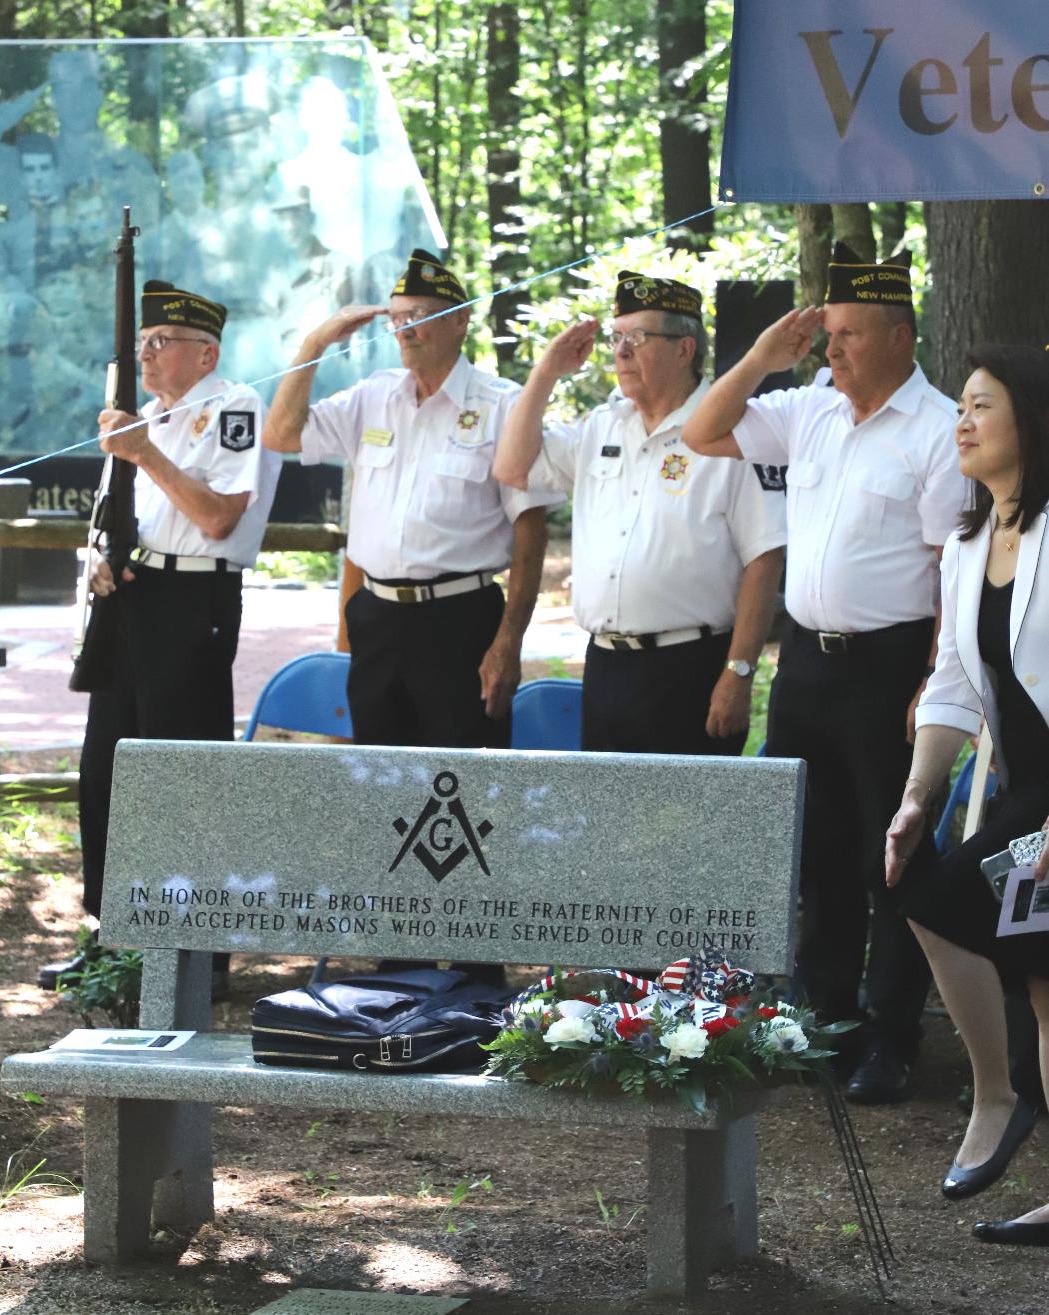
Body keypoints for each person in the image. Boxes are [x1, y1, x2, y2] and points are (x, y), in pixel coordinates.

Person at [682, 242, 968, 1103]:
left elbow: (948, 571)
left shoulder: (937, 428)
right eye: (827, 333)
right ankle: (824, 1020)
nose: (832, 348)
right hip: (805, 661)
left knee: (893, 858)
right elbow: (700, 430)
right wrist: (765, 357)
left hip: (889, 667)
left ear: (900, 336)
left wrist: (932, 683)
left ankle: (891, 1037)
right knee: (817, 852)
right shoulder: (806, 408)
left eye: (847, 333)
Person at [38, 280, 281, 993]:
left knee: (184, 768)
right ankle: (111, 935)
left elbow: (216, 519)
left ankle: (198, 951)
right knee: (107, 769)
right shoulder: (143, 419)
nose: (144, 354)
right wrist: (101, 558)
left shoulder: (231, 407)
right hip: (136, 597)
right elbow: (119, 516)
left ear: (204, 353)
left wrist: (146, 452)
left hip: (194, 596)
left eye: (159, 343)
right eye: (141, 342)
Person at [263, 248, 559, 749]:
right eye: (398, 318)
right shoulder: (372, 397)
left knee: (463, 786)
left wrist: (509, 640)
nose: (404, 330)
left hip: (460, 623)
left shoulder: (502, 404)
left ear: (461, 321)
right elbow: (282, 435)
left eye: (419, 317)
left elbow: (531, 527)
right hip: (378, 620)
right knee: (380, 783)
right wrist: (315, 344)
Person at [886, 344, 1049, 1244]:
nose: (962, 421)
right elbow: (951, 681)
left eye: (981, 405)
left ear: (1030, 416)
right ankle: (1000, 1092)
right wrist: (918, 799)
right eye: (959, 407)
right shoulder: (967, 543)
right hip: (1024, 790)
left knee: (945, 902)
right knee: (1041, 980)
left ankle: (1000, 1093)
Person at [493, 271, 786, 753]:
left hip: (690, 665)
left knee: (684, 825)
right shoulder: (602, 426)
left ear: (683, 349)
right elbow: (511, 467)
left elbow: (764, 559)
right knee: (608, 823)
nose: (621, 351)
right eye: (616, 337)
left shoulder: (731, 430)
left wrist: (739, 672)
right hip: (607, 665)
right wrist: (546, 372)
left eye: (638, 337)